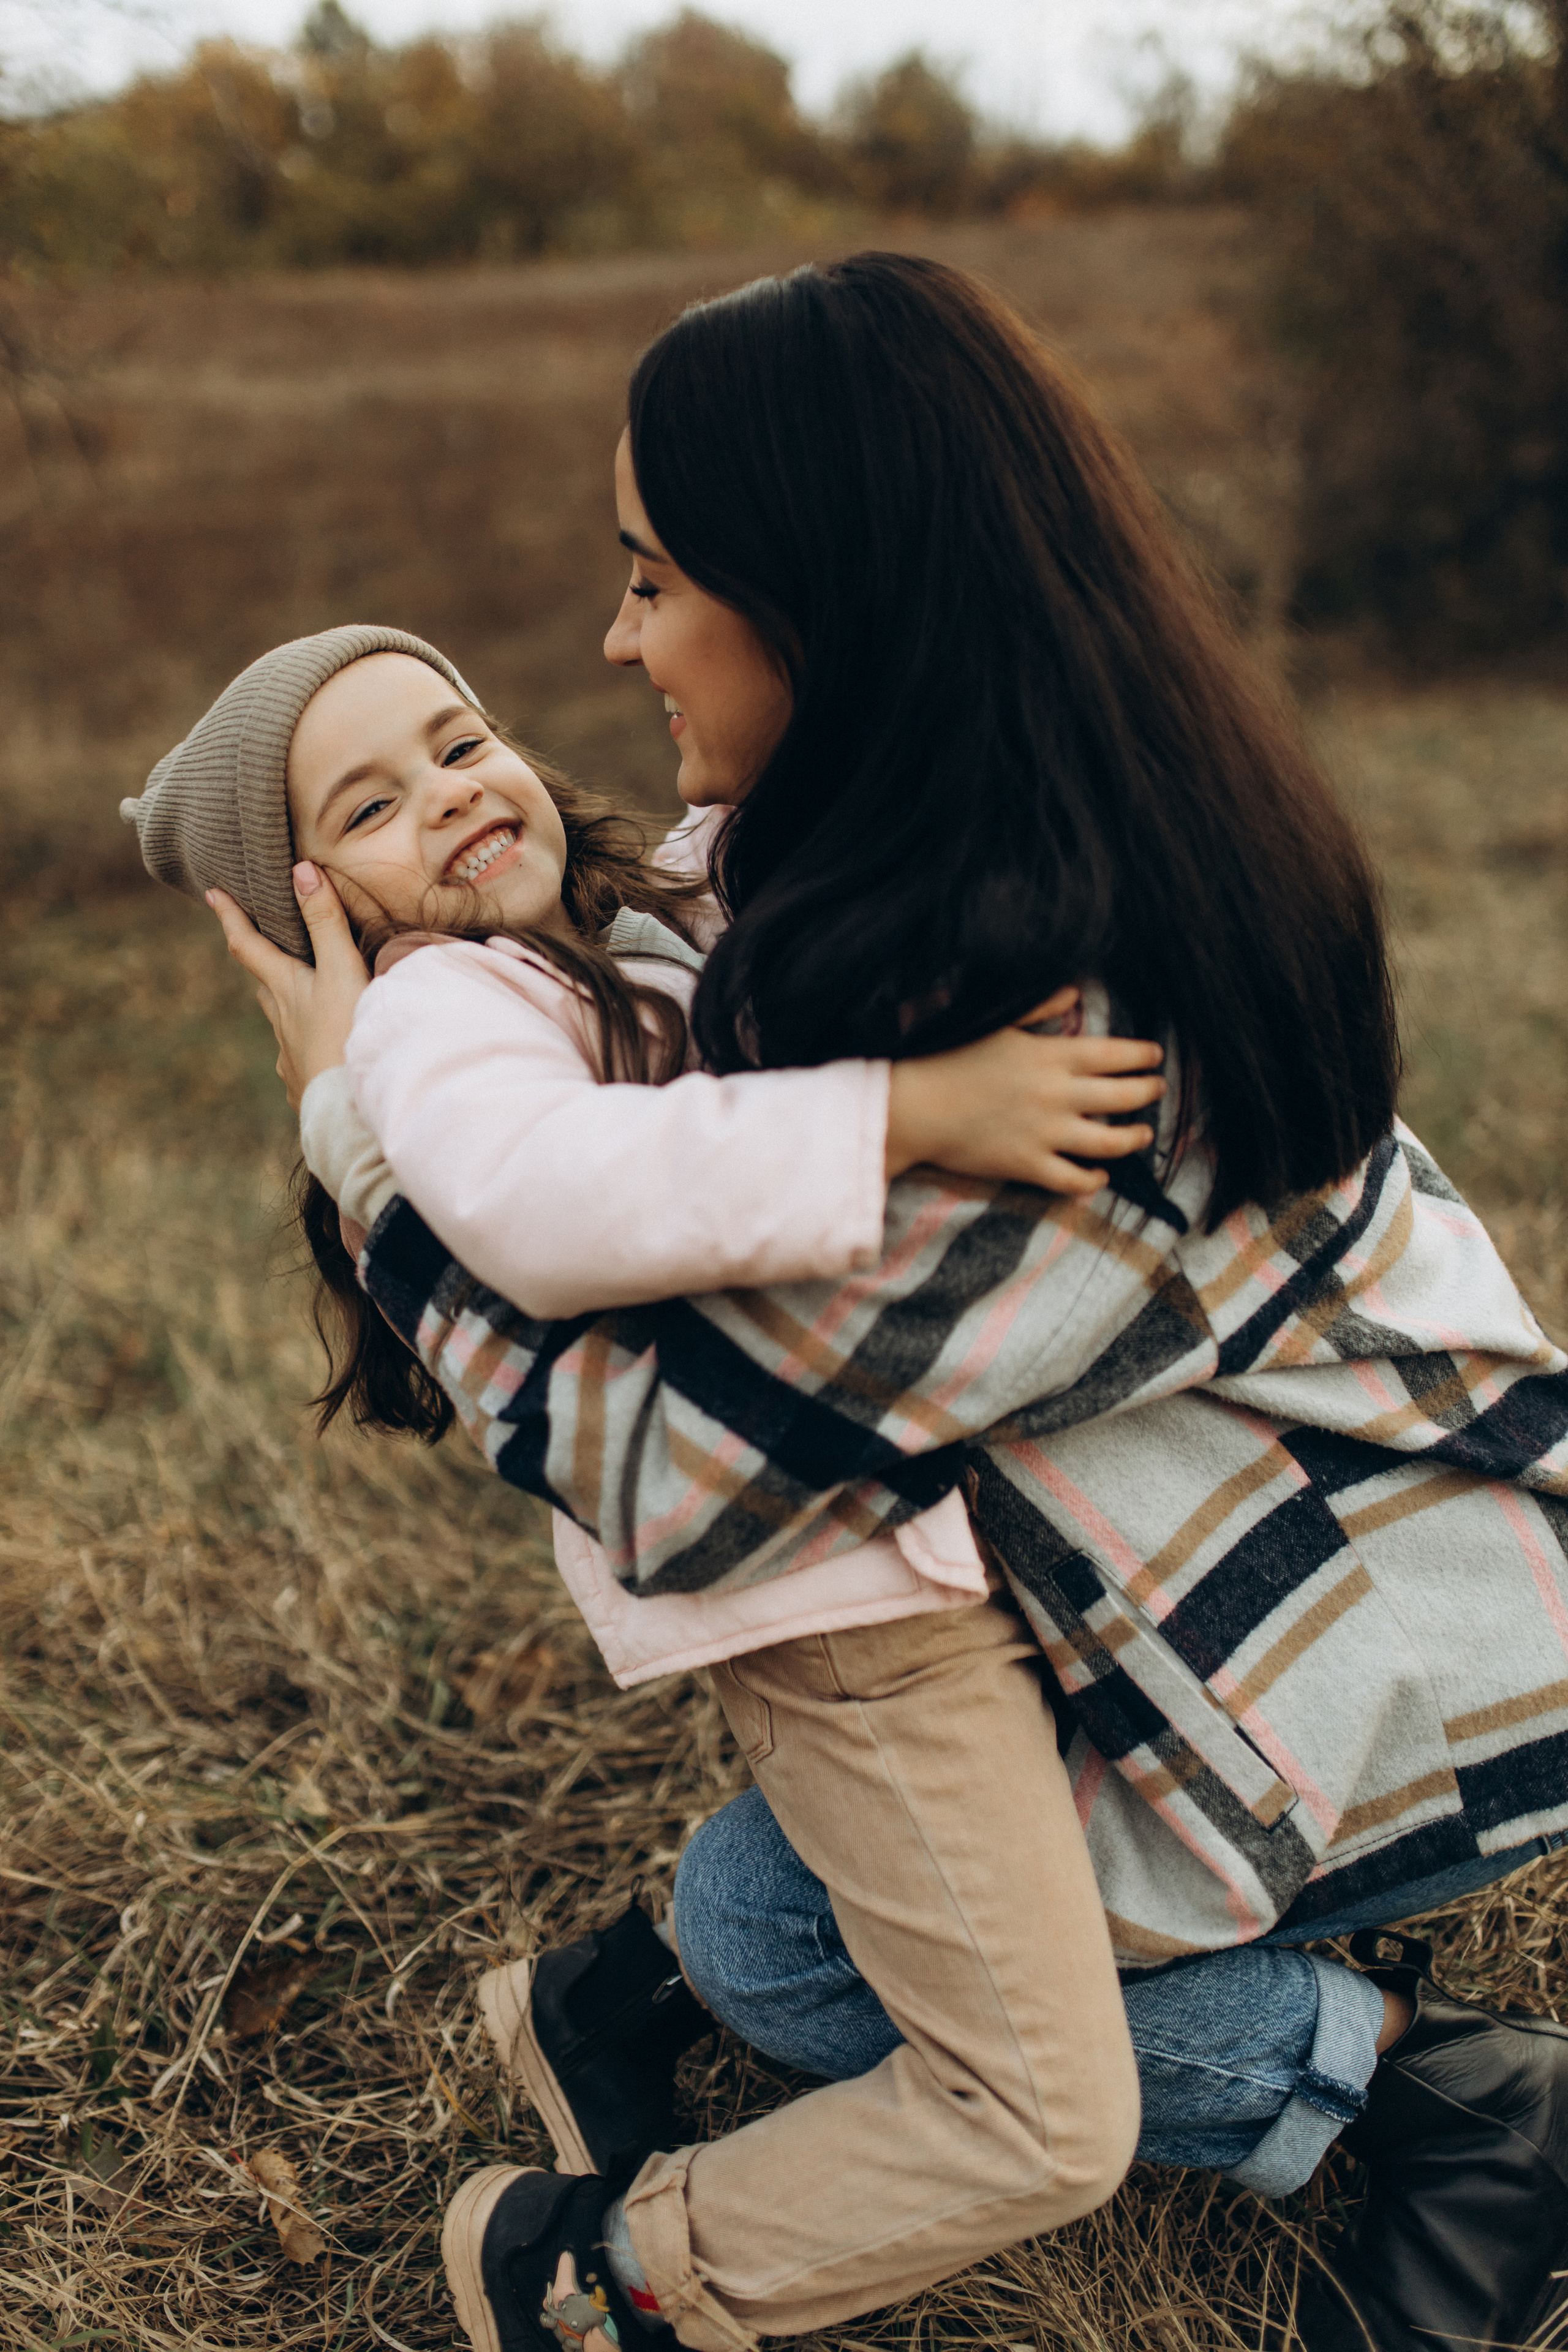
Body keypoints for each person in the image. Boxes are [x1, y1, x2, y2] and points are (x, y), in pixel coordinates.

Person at [247, 256, 1567, 2352]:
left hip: (1373, 1656)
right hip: (1163, 1553)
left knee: (846, 1991)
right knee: (775, 1928)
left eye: (654, 577)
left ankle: (1434, 2099)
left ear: (821, 590)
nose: (612, 638)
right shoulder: (898, 838)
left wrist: (358, 1139)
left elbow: (670, 1480)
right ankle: (661, 1984)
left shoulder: (1051, 1028)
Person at [123, 617, 1170, 2346]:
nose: (452, 799)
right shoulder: (441, 1013)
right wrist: (906, 1113)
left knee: (1072, 1896)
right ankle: (586, 2273)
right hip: (832, 1612)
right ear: (320, 904)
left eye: (459, 742)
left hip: (913, 1547)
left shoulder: (631, 929)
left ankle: (609, 2002)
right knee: (1047, 2117)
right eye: (373, 807)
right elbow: (561, 1188)